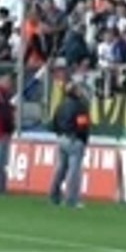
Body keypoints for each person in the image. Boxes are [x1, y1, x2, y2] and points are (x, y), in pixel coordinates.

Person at [48, 75, 91, 207]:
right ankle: (71, 199)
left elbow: (53, 123)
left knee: (60, 168)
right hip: (74, 139)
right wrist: (83, 140)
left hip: (61, 138)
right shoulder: (80, 106)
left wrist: (59, 134)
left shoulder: (61, 105)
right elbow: (83, 125)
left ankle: (54, 195)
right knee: (74, 171)